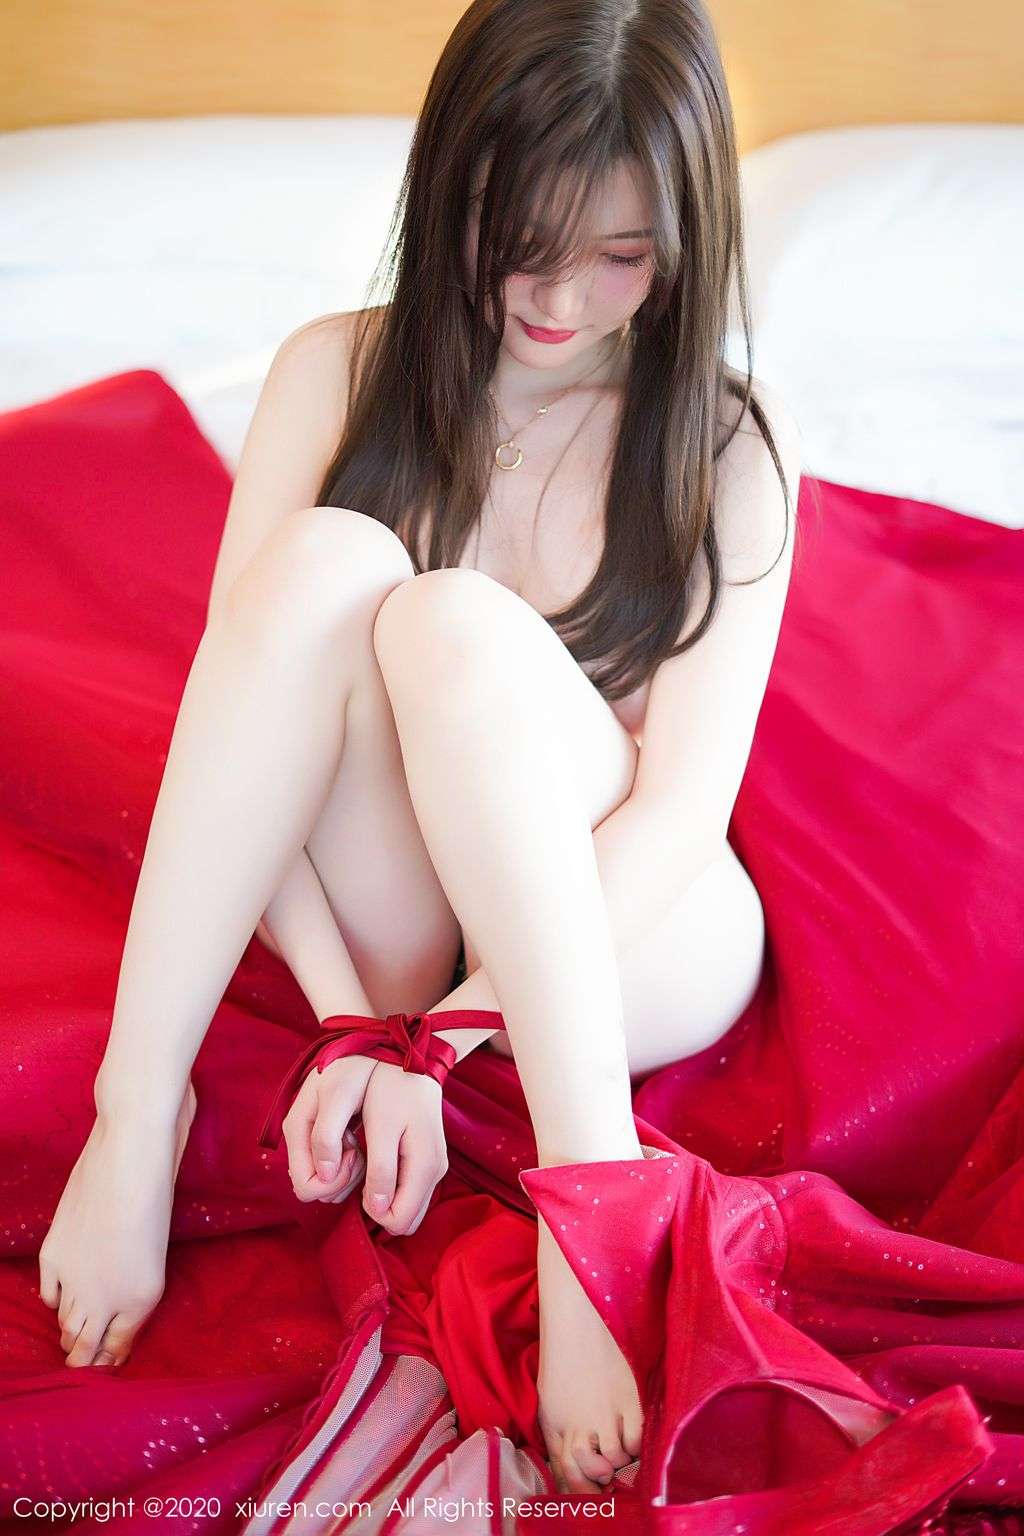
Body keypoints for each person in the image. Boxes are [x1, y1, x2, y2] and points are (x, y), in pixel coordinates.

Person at [38, 0, 802, 1499]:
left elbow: (677, 814)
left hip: (631, 925)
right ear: (450, 178)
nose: (561, 300)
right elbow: (242, 739)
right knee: (326, 565)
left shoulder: (723, 443)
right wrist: (354, 1023)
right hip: (404, 902)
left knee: (451, 622)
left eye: (622, 257)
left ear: (685, 241)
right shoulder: (335, 372)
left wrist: (444, 1041)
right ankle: (137, 1113)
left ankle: (591, 1210)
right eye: (518, 239)